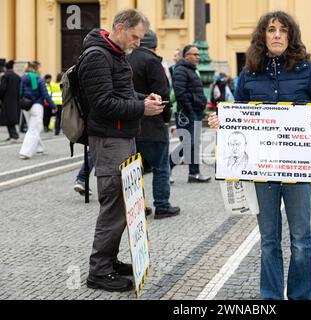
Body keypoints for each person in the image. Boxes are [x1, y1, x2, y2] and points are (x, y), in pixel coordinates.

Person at [208, 11, 311, 300]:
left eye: (283, 30)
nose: (277, 35)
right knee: (269, 240)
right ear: (263, 35)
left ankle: (302, 296)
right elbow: (238, 111)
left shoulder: (308, 68)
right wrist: (222, 120)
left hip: (298, 170)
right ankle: (270, 297)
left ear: (291, 36)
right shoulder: (250, 72)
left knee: (301, 239)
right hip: (262, 172)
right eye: (271, 30)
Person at [77, 9, 165, 292]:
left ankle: (109, 261)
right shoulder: (97, 56)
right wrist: (142, 108)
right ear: (119, 27)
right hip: (109, 140)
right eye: (135, 37)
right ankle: (99, 271)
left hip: (122, 137)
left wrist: (142, 98)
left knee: (124, 205)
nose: (138, 43)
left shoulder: (114, 54)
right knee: (113, 208)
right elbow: (102, 103)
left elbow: (121, 95)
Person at [128, 30, 181, 219]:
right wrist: (166, 117)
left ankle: (138, 207)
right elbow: (162, 94)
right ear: (155, 45)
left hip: (130, 122)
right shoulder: (152, 62)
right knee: (160, 166)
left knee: (135, 169)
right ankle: (162, 206)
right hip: (152, 123)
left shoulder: (126, 59)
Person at [171, 44, 211, 183]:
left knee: (194, 143)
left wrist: (202, 104)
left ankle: (194, 173)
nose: (198, 57)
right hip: (187, 113)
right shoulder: (181, 70)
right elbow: (180, 92)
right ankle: (167, 166)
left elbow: (195, 90)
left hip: (196, 112)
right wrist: (189, 109)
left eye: (198, 54)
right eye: (195, 54)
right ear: (186, 56)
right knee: (188, 142)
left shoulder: (192, 70)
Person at [19, 61, 56, 159]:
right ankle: (25, 152)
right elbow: (45, 95)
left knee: (32, 127)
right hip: (37, 106)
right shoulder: (40, 79)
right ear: (36, 69)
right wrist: (53, 106)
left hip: (26, 106)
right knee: (33, 129)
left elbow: (20, 93)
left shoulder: (23, 78)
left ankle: (40, 148)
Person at [0, 60, 21, 142]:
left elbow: (2, 89)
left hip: (7, 100)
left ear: (6, 68)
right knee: (11, 118)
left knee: (8, 118)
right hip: (16, 100)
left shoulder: (5, 76)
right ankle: (12, 135)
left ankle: (14, 135)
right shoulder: (17, 77)